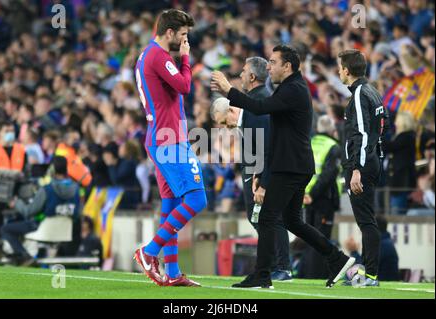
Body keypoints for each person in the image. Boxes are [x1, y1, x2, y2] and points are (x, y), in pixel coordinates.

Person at [211, 45, 355, 289]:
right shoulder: (291, 88)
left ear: (287, 66)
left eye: (273, 62)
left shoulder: (293, 90)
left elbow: (259, 108)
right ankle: (337, 259)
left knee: (267, 217)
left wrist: (228, 90)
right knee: (292, 221)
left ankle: (263, 274)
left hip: (290, 166)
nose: (269, 67)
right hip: (296, 165)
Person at [133, 9, 207, 287]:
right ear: (170, 33)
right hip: (169, 139)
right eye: (183, 35)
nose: (186, 40)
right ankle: (149, 251)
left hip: (162, 135)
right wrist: (185, 58)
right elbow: (185, 86)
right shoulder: (159, 57)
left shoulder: (147, 56)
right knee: (197, 199)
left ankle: (172, 272)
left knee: (172, 204)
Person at [211, 81, 292, 280]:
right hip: (254, 170)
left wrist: (261, 178)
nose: (224, 127)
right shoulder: (244, 121)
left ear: (230, 110)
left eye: (223, 122)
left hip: (263, 172)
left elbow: (265, 150)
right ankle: (274, 264)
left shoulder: (252, 117)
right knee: (257, 218)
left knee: (271, 219)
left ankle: (282, 266)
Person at [337, 49, 388, 287]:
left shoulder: (358, 93)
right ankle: (368, 274)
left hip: (362, 165)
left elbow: (363, 133)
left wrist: (357, 168)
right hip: (372, 161)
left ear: (346, 70)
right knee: (366, 220)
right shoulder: (373, 92)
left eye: (340, 67)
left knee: (366, 221)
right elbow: (382, 127)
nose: (338, 71)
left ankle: (371, 276)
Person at [0, 156, 80, 266]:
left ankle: (25, 256)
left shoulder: (47, 189)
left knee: (5, 229)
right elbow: (77, 214)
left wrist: (16, 203)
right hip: (65, 231)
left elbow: (28, 211)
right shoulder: (76, 189)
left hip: (42, 227)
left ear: (51, 170)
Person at [301, 115, 342, 279]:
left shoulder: (309, 143)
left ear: (318, 128)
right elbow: (328, 175)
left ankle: (307, 275)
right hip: (323, 199)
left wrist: (304, 193)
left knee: (310, 238)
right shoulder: (333, 147)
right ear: (333, 130)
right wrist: (313, 194)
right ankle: (316, 276)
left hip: (305, 198)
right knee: (321, 238)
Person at [0, 121, 27, 261]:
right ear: (0, 133)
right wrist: (12, 174)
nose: (10, 133)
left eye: (12, 130)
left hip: (17, 192)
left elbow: (25, 171)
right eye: (6, 130)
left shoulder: (21, 150)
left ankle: (18, 251)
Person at [383, 111, 417, 215]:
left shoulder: (406, 137)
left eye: (397, 121)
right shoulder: (404, 136)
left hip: (401, 182)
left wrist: (378, 134)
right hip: (397, 182)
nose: (395, 124)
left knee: (397, 213)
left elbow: (389, 147)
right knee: (394, 209)